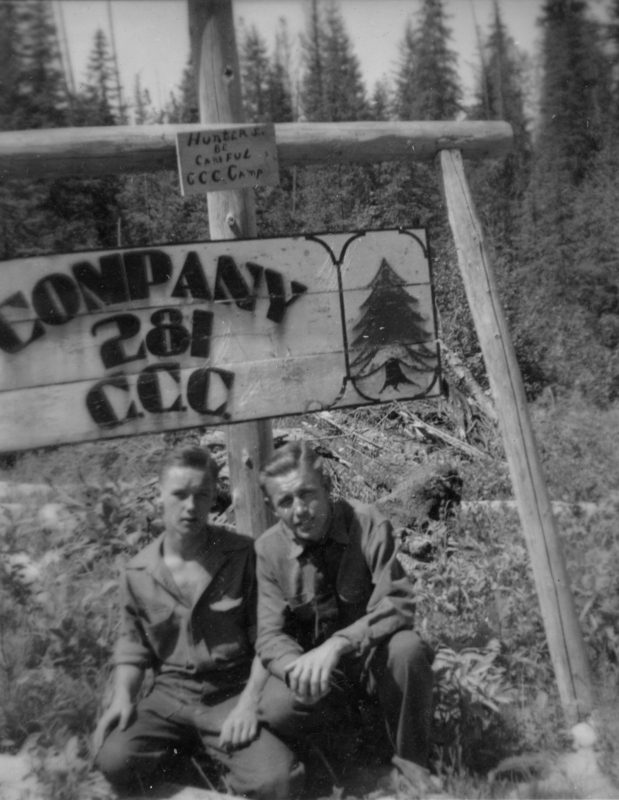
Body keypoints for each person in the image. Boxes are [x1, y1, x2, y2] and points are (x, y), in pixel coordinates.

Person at [93, 445, 301, 799]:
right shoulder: (139, 571)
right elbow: (132, 647)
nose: (190, 506)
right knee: (112, 760)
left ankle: (217, 757)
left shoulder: (243, 556)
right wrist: (123, 697)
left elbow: (269, 638)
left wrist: (250, 704)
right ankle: (193, 755)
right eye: (179, 495)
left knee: (277, 783)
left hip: (231, 693)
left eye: (201, 495)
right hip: (170, 697)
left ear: (213, 497)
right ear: (160, 495)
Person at [255, 440, 434, 771]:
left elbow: (398, 602)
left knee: (408, 650)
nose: (299, 509)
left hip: (371, 658)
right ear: (272, 506)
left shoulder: (366, 523)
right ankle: (344, 771)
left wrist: (340, 642)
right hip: (322, 677)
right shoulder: (268, 551)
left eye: (306, 493)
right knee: (277, 703)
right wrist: (296, 668)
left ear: (326, 486)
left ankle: (413, 771)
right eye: (285, 501)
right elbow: (269, 634)